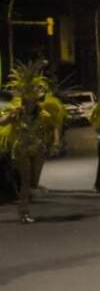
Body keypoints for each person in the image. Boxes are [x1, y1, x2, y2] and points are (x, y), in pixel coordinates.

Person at [0, 60, 63, 223]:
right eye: (25, 102)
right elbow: (3, 122)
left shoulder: (43, 115)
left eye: (30, 102)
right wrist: (8, 116)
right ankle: (24, 213)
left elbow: (55, 126)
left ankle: (26, 203)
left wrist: (56, 143)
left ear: (35, 101)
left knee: (33, 183)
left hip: (37, 149)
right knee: (26, 182)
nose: (27, 105)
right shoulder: (17, 114)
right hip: (21, 150)